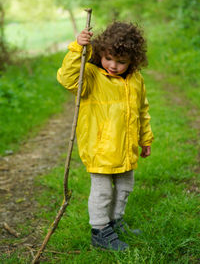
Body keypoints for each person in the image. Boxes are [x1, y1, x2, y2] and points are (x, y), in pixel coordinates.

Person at [57, 21, 154, 251]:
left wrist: (145, 139)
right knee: (103, 192)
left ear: (133, 60)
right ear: (101, 52)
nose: (114, 66)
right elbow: (67, 78)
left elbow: (142, 112)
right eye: (109, 58)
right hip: (101, 149)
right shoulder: (90, 75)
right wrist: (77, 50)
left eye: (122, 62)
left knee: (124, 188)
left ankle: (115, 222)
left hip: (126, 147)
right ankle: (100, 230)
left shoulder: (136, 80)